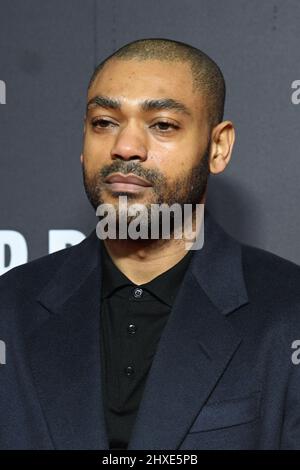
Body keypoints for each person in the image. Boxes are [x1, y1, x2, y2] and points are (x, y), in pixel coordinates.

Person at [0, 38, 300, 450]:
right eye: (104, 122)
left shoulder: (289, 312)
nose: (125, 147)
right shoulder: (10, 309)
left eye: (162, 125)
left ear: (218, 147)